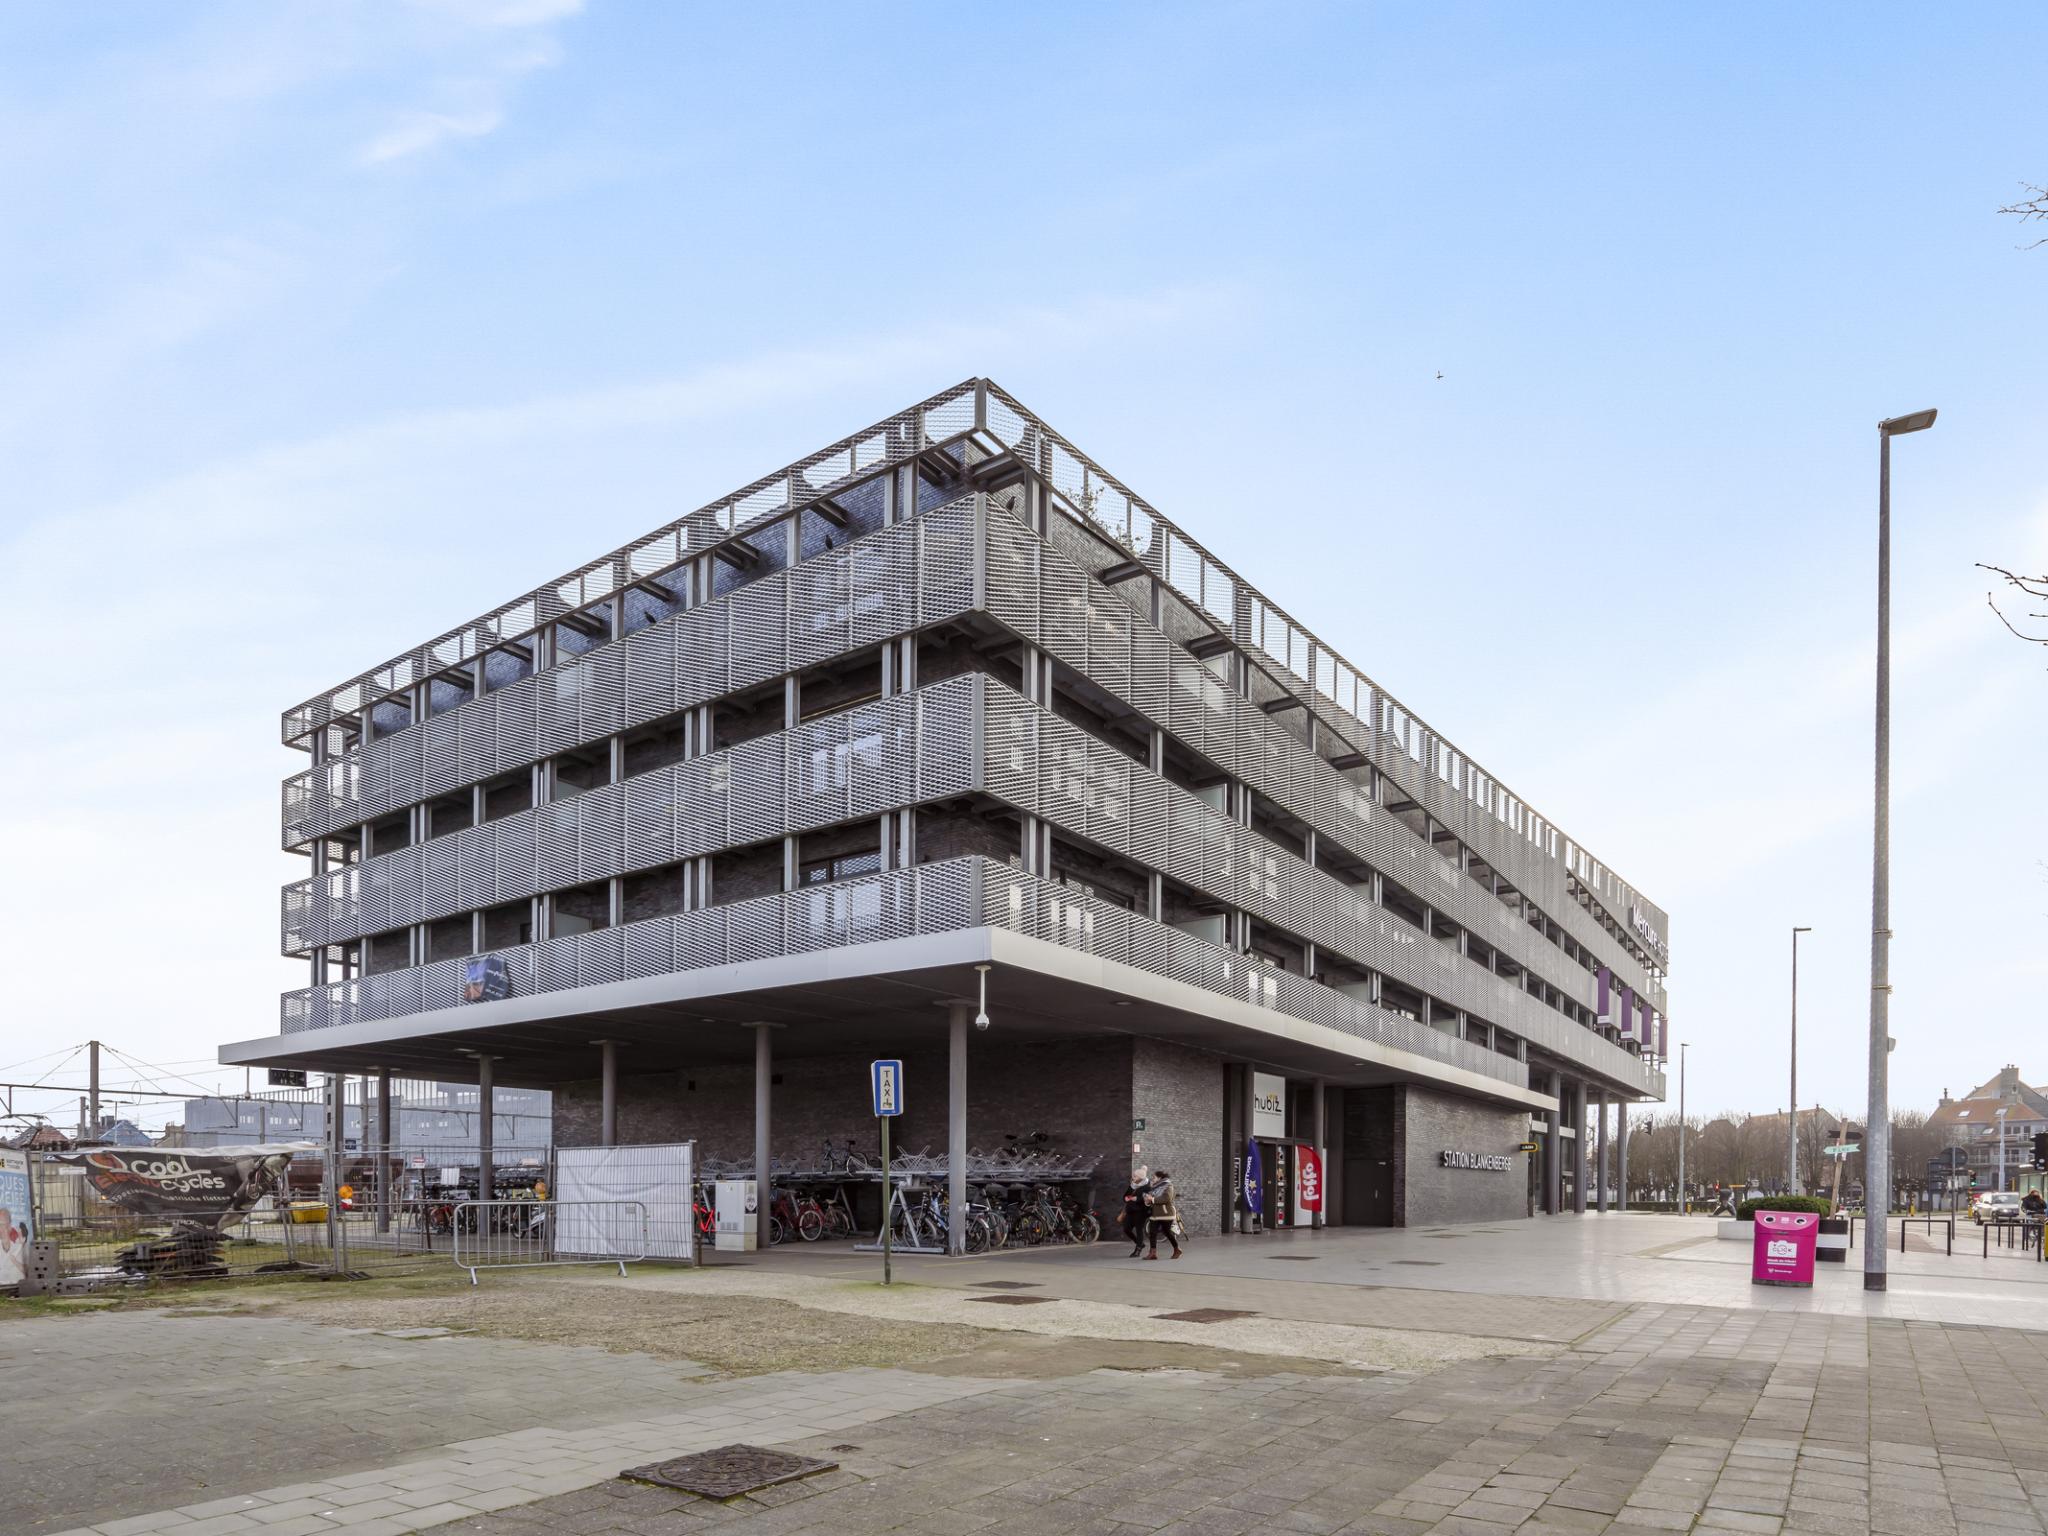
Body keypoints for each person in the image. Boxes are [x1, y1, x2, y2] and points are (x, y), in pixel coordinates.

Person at [1143, 1169, 1182, 1260]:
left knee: (1167, 1232)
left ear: (1160, 1178)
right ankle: (1153, 1253)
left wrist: (1152, 1199)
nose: (1152, 1179)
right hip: (1155, 1214)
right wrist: (1147, 1201)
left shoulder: (1168, 1186)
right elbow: (1151, 1199)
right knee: (1152, 1233)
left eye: (1154, 1177)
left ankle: (1177, 1249)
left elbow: (1166, 1198)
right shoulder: (1154, 1187)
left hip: (1166, 1213)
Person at [1120, 1167, 1150, 1257]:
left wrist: (1136, 1199)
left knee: (1139, 1230)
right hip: (1130, 1210)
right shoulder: (1132, 1185)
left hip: (1141, 1211)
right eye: (1133, 1176)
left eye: (1135, 1176)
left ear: (1141, 1178)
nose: (1133, 1178)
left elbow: (1146, 1198)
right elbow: (1125, 1195)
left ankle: (1138, 1250)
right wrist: (1125, 1198)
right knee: (1126, 1229)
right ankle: (1139, 1243)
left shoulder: (1147, 1186)